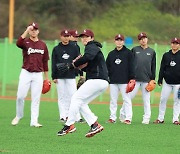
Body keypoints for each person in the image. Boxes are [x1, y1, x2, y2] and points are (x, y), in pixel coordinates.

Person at [57, 29, 109, 137]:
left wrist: (72, 65)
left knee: (75, 98)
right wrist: (77, 67)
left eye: (87, 36)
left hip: (97, 80)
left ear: (92, 38)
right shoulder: (92, 48)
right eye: (82, 37)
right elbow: (88, 65)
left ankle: (69, 124)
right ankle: (94, 124)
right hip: (101, 81)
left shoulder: (91, 46)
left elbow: (87, 57)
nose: (84, 38)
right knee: (81, 102)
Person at [11, 22, 50, 127]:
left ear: (38, 31)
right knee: (20, 96)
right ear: (29, 31)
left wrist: (47, 79)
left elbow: (45, 62)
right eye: (32, 29)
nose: (34, 31)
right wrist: (26, 31)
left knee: (36, 98)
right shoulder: (25, 42)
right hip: (26, 73)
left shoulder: (43, 44)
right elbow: (18, 43)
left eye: (35, 29)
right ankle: (18, 116)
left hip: (38, 74)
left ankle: (34, 121)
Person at [51, 29, 84, 123]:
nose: (66, 38)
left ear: (69, 37)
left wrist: (80, 73)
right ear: (61, 36)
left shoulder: (74, 48)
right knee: (62, 96)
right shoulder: (56, 49)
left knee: (74, 96)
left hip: (70, 75)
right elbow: (54, 63)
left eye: (67, 36)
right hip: (60, 76)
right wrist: (54, 76)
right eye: (64, 36)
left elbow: (78, 60)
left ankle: (77, 116)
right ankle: (63, 116)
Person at [106, 34, 135, 124]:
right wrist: (108, 78)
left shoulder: (128, 53)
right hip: (113, 81)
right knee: (113, 100)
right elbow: (107, 67)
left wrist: (132, 78)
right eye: (117, 40)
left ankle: (128, 118)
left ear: (123, 41)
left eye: (121, 40)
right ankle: (112, 118)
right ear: (115, 41)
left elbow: (132, 66)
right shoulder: (111, 54)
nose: (119, 42)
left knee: (126, 99)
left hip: (124, 81)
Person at [130, 32, 156, 124]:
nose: (143, 40)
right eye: (141, 39)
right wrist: (130, 77)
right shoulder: (134, 50)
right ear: (139, 41)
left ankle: (146, 118)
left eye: (144, 38)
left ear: (147, 39)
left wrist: (153, 79)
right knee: (129, 98)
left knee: (146, 100)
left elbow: (153, 66)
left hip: (146, 80)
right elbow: (130, 64)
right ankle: (123, 114)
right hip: (135, 79)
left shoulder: (152, 51)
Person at [153, 37, 180, 125]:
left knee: (177, 101)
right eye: (173, 43)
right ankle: (160, 118)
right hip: (167, 82)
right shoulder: (166, 55)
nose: (174, 45)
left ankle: (175, 119)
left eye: (176, 43)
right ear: (171, 44)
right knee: (163, 99)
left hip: (178, 83)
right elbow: (162, 68)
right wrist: (160, 79)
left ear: (179, 45)